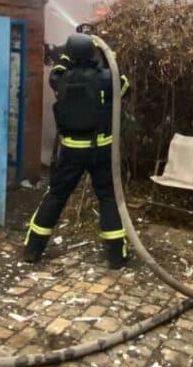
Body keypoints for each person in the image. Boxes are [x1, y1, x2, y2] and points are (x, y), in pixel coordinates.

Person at [24, 32, 131, 269]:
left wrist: (64, 57)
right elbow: (124, 84)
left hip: (71, 151)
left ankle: (33, 249)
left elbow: (58, 68)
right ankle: (116, 256)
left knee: (57, 196)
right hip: (101, 150)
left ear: (70, 56)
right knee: (107, 198)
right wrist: (109, 55)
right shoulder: (106, 79)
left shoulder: (58, 79)